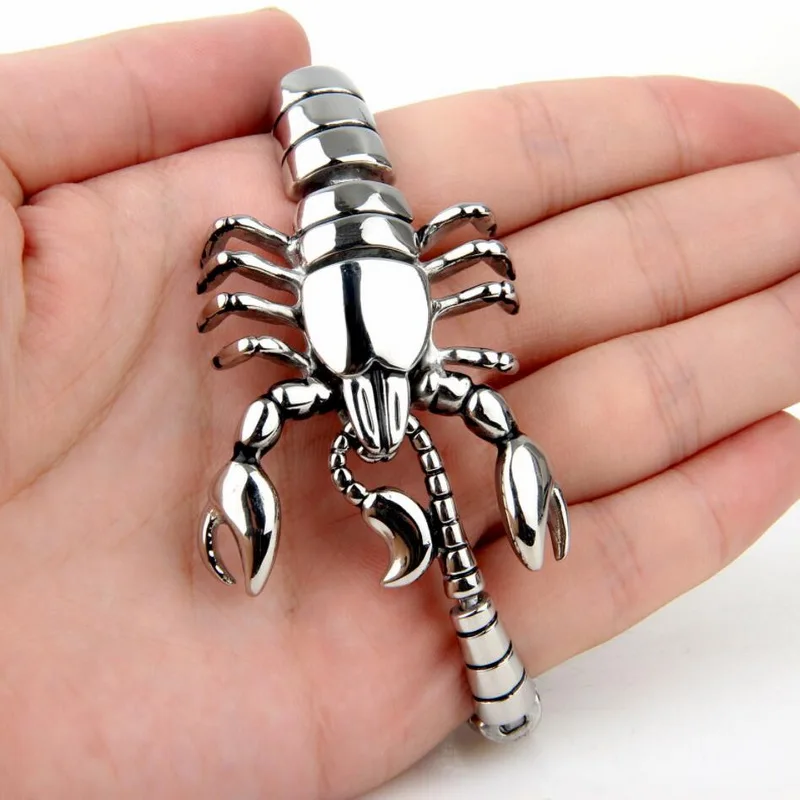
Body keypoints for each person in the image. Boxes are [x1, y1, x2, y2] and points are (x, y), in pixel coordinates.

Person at [0, 8, 798, 798]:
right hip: (333, 224)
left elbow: (291, 391)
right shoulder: (327, 329)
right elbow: (256, 351)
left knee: (473, 428)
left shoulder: (376, 351)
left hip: (373, 237)